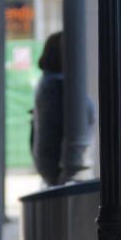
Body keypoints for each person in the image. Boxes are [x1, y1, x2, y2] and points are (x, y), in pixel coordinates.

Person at [31, 31, 96, 186]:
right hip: (63, 171)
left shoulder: (49, 83)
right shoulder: (58, 86)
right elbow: (59, 129)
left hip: (54, 168)